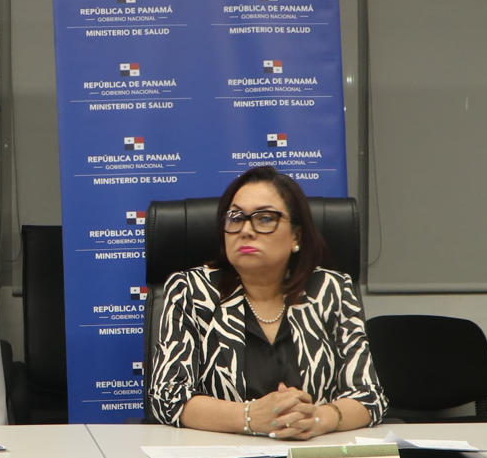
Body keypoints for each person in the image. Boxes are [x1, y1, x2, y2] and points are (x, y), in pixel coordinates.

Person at [146, 165, 385, 436]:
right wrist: (249, 417)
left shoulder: (332, 290)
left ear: (296, 235)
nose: (246, 230)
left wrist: (317, 419)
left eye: (265, 218)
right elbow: (168, 397)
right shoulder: (191, 290)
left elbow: (369, 397)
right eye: (235, 217)